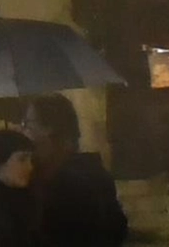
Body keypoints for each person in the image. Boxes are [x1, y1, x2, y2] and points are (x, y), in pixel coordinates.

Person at [21, 94, 127, 247]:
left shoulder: (71, 183)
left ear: (49, 129)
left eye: (28, 124)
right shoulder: (92, 173)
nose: (23, 132)